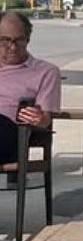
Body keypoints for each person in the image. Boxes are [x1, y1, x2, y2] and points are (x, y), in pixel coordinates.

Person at [0, 11, 60, 165]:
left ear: (28, 39)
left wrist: (39, 118)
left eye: (19, 40)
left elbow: (45, 120)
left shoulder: (45, 71)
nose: (12, 47)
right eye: (5, 40)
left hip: (11, 133)